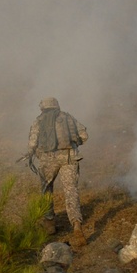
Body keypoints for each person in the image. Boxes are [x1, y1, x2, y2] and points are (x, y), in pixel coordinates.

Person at [26, 97, 89, 245]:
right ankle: (76, 225)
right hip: (69, 158)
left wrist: (32, 153)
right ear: (56, 106)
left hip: (47, 159)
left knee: (46, 189)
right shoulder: (67, 117)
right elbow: (84, 136)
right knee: (71, 190)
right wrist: (75, 144)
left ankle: (49, 224)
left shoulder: (38, 121)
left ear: (43, 107)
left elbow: (32, 143)